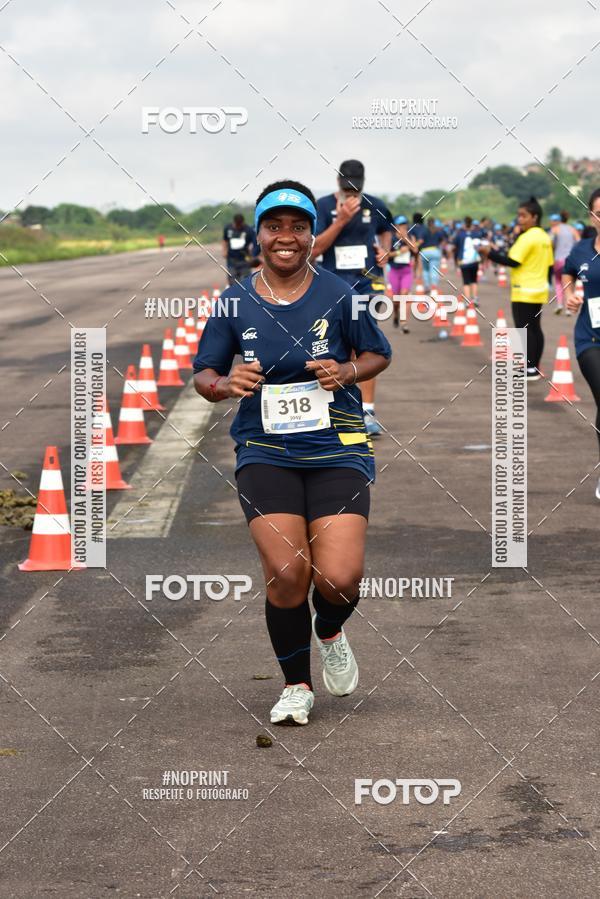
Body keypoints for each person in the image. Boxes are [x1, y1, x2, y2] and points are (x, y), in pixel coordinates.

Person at [193, 180, 392, 725]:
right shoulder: (235, 301)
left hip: (338, 446)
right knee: (287, 572)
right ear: (258, 235)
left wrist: (347, 371)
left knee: (339, 578)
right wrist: (224, 383)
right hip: (265, 450)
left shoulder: (340, 294)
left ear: (311, 235)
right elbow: (204, 374)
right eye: (274, 227)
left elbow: (378, 353)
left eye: (298, 227)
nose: (286, 237)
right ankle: (297, 685)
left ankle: (329, 629)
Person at [313, 160, 393, 437]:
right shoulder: (323, 207)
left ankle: (368, 411)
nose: (351, 191)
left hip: (368, 284)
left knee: (367, 349)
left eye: (355, 186)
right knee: (334, 349)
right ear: (337, 182)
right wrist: (342, 220)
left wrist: (384, 249)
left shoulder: (375, 204)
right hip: (332, 286)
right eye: (346, 186)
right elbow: (314, 248)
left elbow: (387, 230)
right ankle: (338, 410)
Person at [480, 197, 554, 380]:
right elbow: (550, 265)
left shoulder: (527, 237)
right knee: (535, 328)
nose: (519, 219)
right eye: (518, 216)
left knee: (524, 329)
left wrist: (489, 253)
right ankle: (533, 366)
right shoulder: (544, 237)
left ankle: (529, 368)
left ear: (534, 217)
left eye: (523, 216)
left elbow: (512, 260)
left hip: (524, 289)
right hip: (539, 288)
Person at [563, 188, 600, 500]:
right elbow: (568, 276)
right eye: (599, 213)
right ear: (592, 216)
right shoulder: (581, 250)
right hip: (590, 339)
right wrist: (570, 294)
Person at [388, 214, 415, 332]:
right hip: (394, 271)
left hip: (407, 271)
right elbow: (387, 254)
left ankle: (404, 323)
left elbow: (415, 250)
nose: (403, 227)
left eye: (404, 225)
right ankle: (395, 315)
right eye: (400, 225)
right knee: (396, 299)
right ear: (395, 226)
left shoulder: (411, 237)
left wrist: (406, 239)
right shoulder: (391, 239)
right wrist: (399, 252)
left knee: (404, 295)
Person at [549, 212, 578, 315]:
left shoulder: (555, 229)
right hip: (570, 260)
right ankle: (568, 308)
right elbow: (579, 242)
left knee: (558, 282)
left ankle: (559, 304)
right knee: (570, 284)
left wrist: (554, 247)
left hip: (558, 259)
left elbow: (550, 242)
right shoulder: (572, 229)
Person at [453, 216, 481, 306]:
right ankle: (475, 298)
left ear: (464, 224)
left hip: (463, 261)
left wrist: (456, 259)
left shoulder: (460, 234)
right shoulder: (476, 234)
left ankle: (467, 300)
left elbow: (455, 247)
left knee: (466, 281)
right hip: (474, 261)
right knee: (474, 280)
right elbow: (479, 246)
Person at [222, 213, 257, 286]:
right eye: (236, 225)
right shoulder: (228, 228)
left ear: (242, 223)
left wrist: (253, 255)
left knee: (245, 281)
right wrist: (224, 250)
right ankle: (235, 294)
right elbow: (225, 240)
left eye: (239, 225)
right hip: (231, 259)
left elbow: (254, 243)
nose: (237, 227)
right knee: (232, 281)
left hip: (244, 259)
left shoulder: (249, 230)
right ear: (233, 222)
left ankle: (245, 295)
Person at [419, 217, 445, 294]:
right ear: (434, 223)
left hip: (425, 252)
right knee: (434, 270)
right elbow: (443, 241)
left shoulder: (424, 231)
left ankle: (427, 286)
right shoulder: (438, 231)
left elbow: (420, 241)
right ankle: (434, 286)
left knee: (425, 270)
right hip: (435, 251)